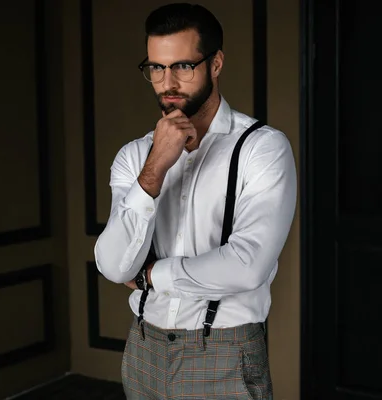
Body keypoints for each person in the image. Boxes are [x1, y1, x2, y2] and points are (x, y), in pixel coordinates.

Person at [94, 3, 296, 399]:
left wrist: (152, 276)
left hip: (224, 352)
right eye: (156, 68)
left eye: (182, 66)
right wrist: (155, 169)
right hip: (143, 349)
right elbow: (113, 264)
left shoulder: (262, 148)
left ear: (215, 64)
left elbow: (247, 264)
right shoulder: (135, 157)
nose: (167, 82)